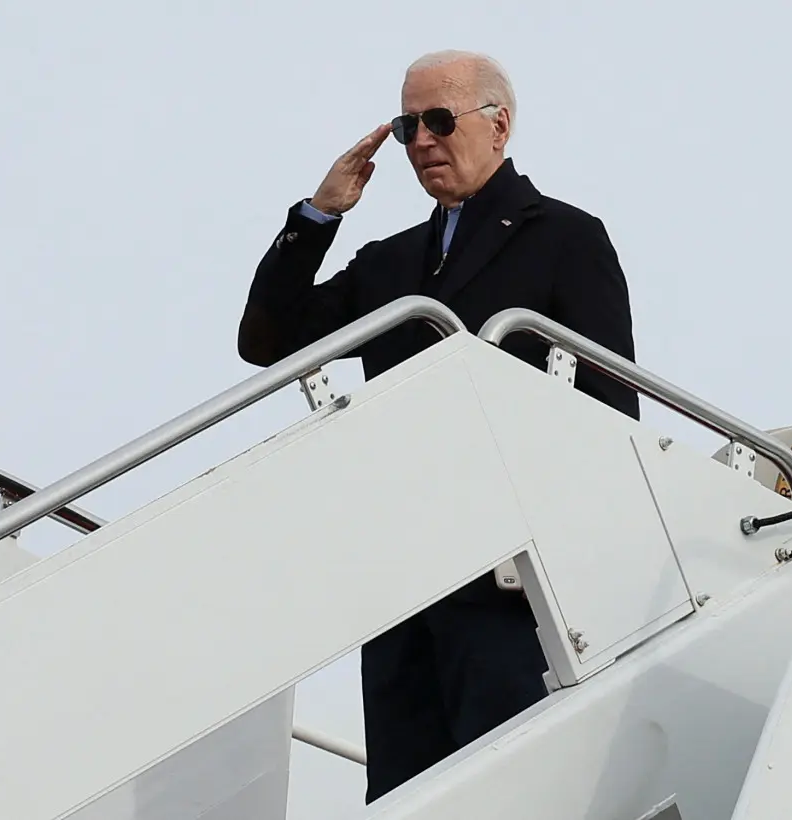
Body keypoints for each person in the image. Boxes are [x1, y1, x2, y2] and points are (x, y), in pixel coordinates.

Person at [237, 49, 640, 803]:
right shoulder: (389, 265)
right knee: (404, 798)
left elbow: (611, 412)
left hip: (512, 585)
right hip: (403, 583)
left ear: (500, 127)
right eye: (406, 124)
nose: (420, 139)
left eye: (439, 120)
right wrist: (319, 216)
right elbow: (267, 340)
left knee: (507, 790)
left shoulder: (566, 239)